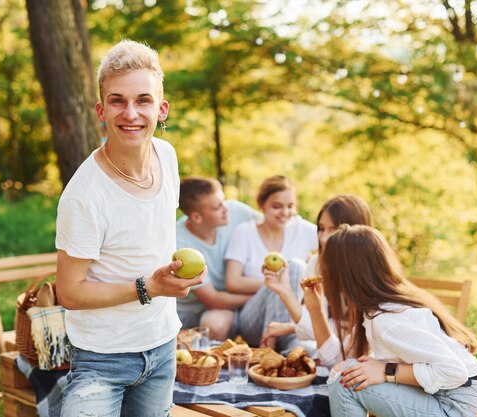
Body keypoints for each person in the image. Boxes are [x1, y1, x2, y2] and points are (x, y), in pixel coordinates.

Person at [55, 40, 205, 417]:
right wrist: (148, 287)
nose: (131, 113)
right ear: (101, 111)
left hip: (162, 345)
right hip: (101, 360)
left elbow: (150, 238)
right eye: (118, 101)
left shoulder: (166, 157)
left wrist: (173, 277)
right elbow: (69, 292)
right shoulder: (84, 195)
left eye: (143, 100)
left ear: (162, 108)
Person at [321, 225, 477, 417]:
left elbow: (453, 372)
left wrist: (387, 370)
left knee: (344, 379)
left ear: (346, 275)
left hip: (464, 408)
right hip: (471, 399)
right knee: (352, 372)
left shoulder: (388, 320)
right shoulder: (385, 306)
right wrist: (379, 365)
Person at [261, 194, 372, 364]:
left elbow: (354, 343)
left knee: (307, 350)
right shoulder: (317, 264)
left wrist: (292, 327)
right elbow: (313, 327)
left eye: (334, 230)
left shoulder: (369, 272)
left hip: (363, 363)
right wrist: (285, 291)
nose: (323, 237)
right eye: (321, 228)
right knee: (303, 350)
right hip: (334, 354)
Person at [225, 175, 317, 350]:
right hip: (253, 320)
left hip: (292, 320)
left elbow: (335, 241)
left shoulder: (302, 229)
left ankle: (287, 350)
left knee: (296, 266)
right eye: (277, 206)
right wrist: (275, 284)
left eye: (290, 206)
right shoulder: (245, 232)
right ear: (262, 204)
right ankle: (271, 348)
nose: (285, 213)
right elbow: (233, 282)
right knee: (290, 271)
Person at [176, 176, 261, 341]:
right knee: (215, 325)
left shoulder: (237, 211)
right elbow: (213, 300)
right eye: (217, 207)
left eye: (224, 201)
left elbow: (271, 227)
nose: (226, 209)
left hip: (237, 300)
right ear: (197, 217)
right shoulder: (180, 244)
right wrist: (260, 297)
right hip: (200, 314)